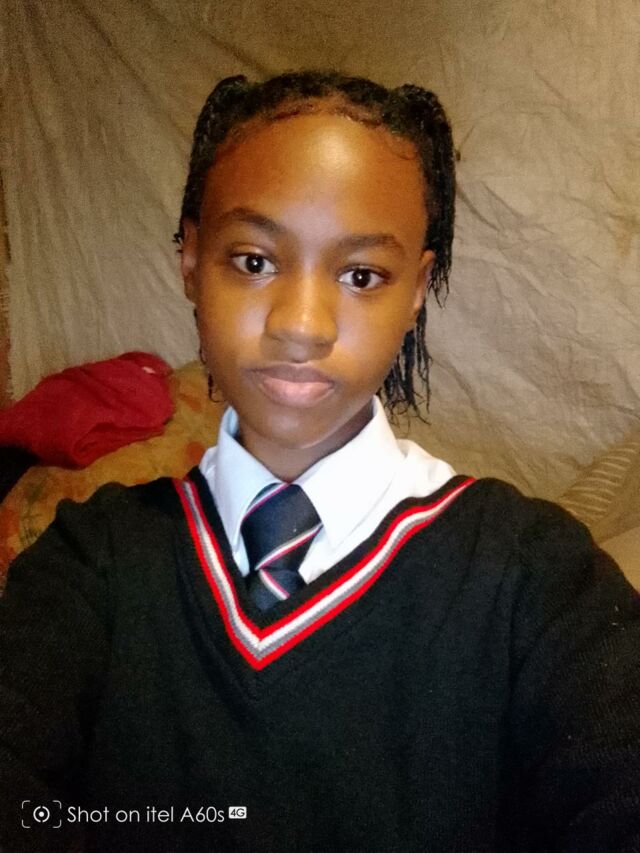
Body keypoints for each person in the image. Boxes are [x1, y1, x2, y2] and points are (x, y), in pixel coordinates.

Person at [0, 70, 639, 853]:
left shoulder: (535, 577)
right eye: (254, 261)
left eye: (361, 275)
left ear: (417, 289)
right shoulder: (90, 563)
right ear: (191, 261)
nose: (302, 324)